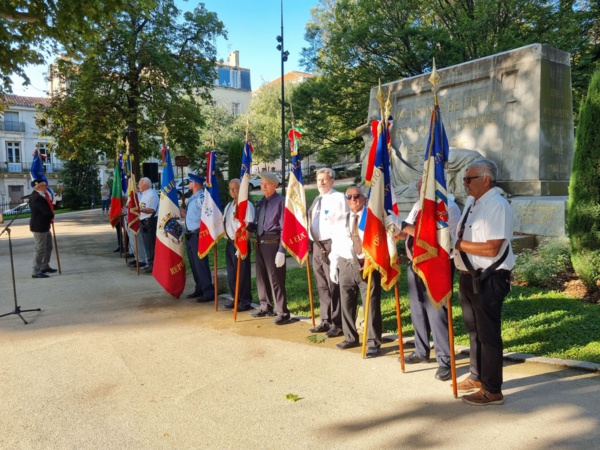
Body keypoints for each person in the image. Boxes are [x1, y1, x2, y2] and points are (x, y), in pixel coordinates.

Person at [385, 178, 461, 381]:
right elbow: (406, 233)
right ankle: (421, 350)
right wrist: (392, 228)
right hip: (415, 264)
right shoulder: (419, 206)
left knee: (437, 313)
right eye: (418, 186)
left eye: (424, 186)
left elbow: (429, 238)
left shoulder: (448, 207)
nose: (420, 189)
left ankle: (445, 360)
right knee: (417, 309)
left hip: (436, 266)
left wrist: (402, 224)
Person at [453, 159, 515, 406]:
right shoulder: (473, 203)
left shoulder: (497, 206)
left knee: (488, 335)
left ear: (486, 179)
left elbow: (492, 248)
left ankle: (492, 390)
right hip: (469, 277)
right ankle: (477, 377)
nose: (464, 183)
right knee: (474, 331)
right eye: (464, 179)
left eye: (469, 179)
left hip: (489, 279)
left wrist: (455, 245)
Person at [328, 186, 382, 358]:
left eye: (356, 196)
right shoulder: (341, 219)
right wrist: (333, 264)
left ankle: (373, 342)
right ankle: (350, 337)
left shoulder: (371, 218)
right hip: (345, 264)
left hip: (366, 265)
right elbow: (335, 243)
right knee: (346, 302)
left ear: (364, 198)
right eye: (349, 197)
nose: (353, 199)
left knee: (371, 305)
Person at [307, 168, 348, 338]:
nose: (321, 183)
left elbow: (346, 221)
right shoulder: (317, 199)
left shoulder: (338, 197)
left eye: (324, 180)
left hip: (332, 244)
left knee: (334, 284)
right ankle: (326, 319)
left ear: (332, 181)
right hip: (317, 246)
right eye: (318, 180)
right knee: (322, 284)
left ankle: (337, 323)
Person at [248, 173, 290, 325]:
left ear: (274, 185)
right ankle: (265, 306)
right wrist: (248, 225)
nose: (263, 186)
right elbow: (257, 223)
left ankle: (282, 312)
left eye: (266, 183)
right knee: (261, 277)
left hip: (273, 244)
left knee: (276, 279)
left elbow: (285, 227)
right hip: (260, 243)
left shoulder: (281, 202)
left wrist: (282, 250)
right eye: (262, 182)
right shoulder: (261, 202)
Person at [179, 173, 214, 302]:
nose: (188, 184)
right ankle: (199, 287)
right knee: (194, 264)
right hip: (190, 234)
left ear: (195, 184)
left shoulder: (201, 197)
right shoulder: (193, 198)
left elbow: (207, 214)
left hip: (197, 234)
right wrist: (183, 213)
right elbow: (193, 215)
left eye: (190, 182)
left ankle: (208, 291)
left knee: (200, 263)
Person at [222, 178, 254, 312]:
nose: (232, 191)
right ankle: (236, 299)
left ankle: (245, 300)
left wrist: (243, 243)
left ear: (241, 189)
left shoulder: (247, 205)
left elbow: (250, 226)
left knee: (242, 275)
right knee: (232, 274)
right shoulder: (229, 206)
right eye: (230, 188)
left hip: (241, 244)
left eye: (235, 188)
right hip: (230, 244)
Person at [29, 179, 57, 278]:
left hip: (44, 226)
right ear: (38, 187)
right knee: (40, 249)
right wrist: (51, 215)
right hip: (39, 227)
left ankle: (44, 266)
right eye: (45, 185)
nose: (47, 187)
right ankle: (35, 271)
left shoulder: (40, 196)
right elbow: (46, 211)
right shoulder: (36, 198)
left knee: (48, 247)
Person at [138, 177, 159, 274]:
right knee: (146, 243)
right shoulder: (144, 194)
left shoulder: (151, 194)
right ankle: (149, 262)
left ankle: (153, 264)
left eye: (140, 184)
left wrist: (139, 210)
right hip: (143, 220)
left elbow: (151, 210)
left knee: (150, 243)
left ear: (145, 185)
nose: (138, 186)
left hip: (150, 221)